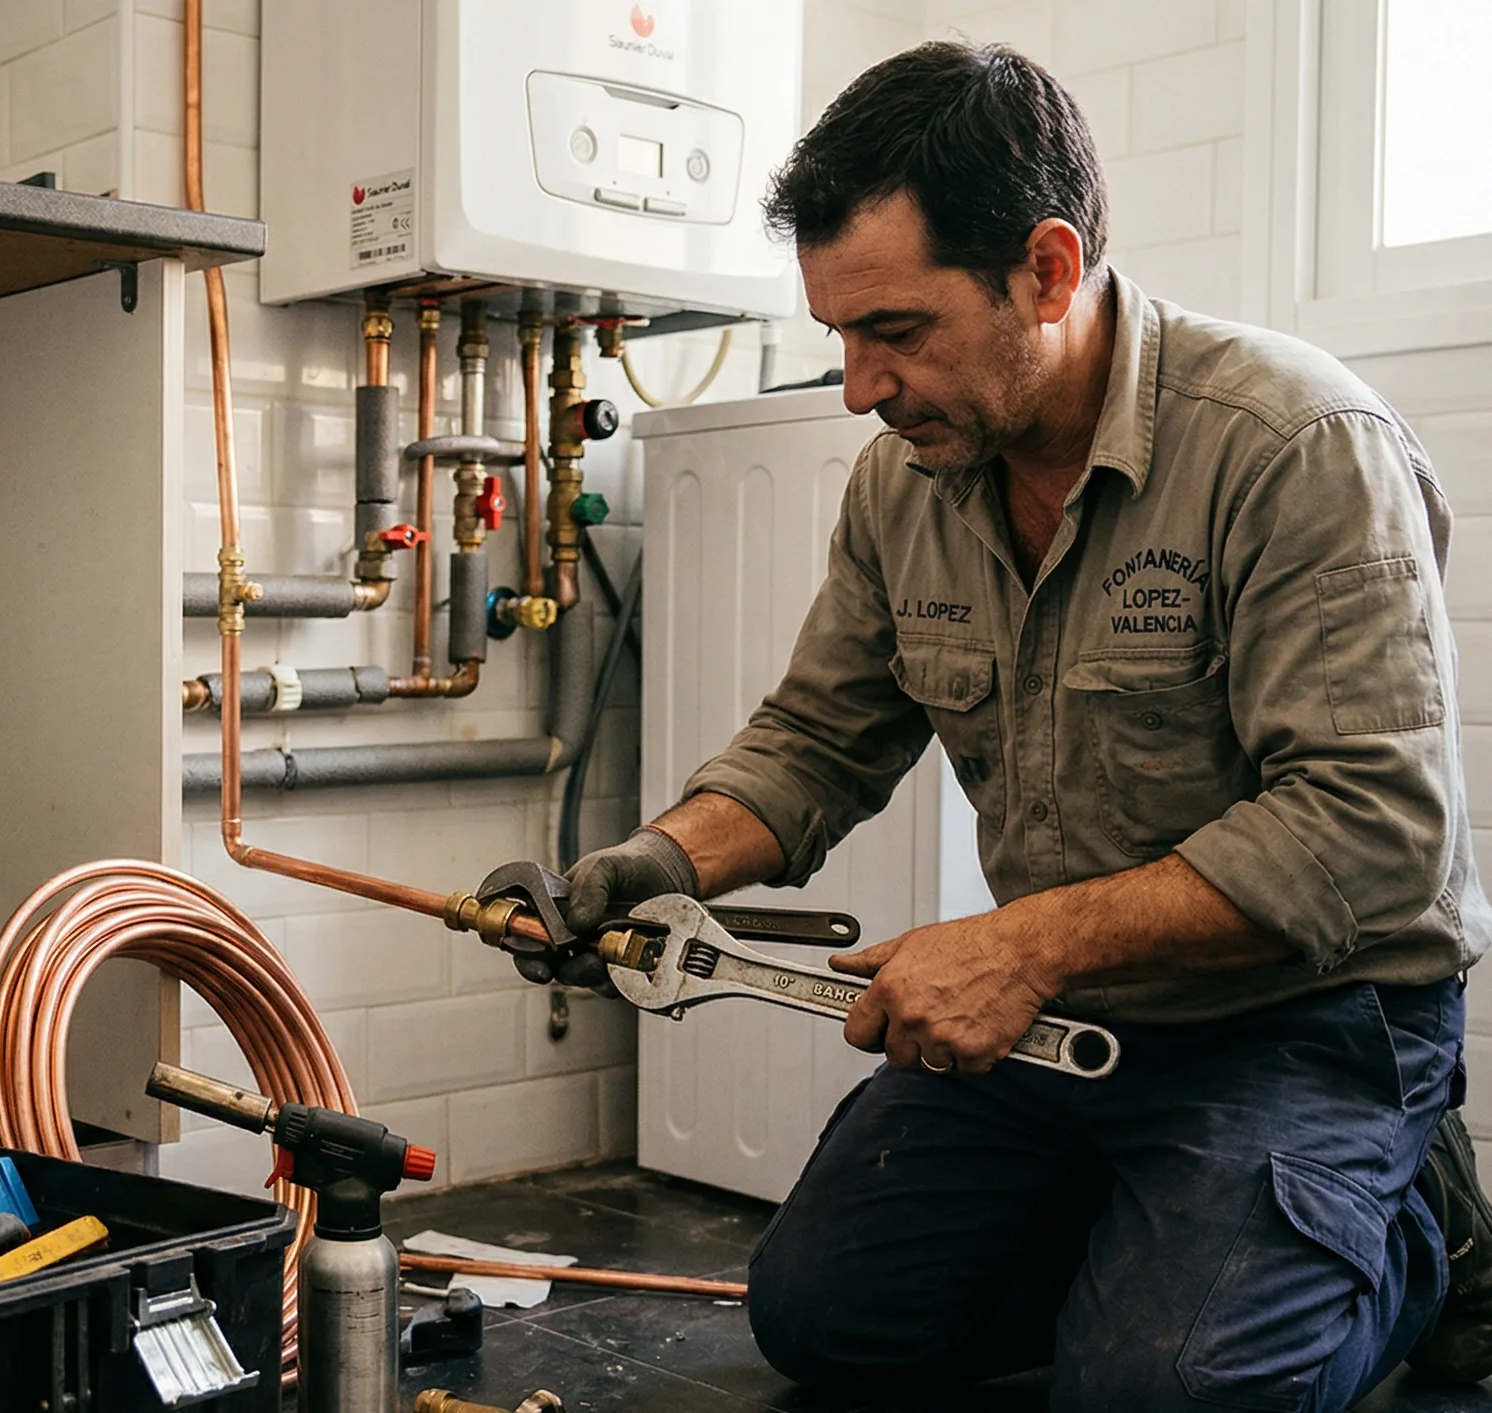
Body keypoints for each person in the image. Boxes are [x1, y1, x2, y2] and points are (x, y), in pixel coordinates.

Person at [552, 41, 1492, 1409]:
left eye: (896, 330)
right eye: (838, 335)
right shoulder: (905, 487)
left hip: (1300, 1017)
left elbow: (1371, 835)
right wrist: (655, 862)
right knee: (825, 1320)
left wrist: (1020, 942)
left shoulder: (1292, 446)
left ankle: (1412, 1233)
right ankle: (1174, 1241)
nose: (859, 386)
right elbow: (817, 740)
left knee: (1165, 1393)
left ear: (1047, 270)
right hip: (1062, 1021)